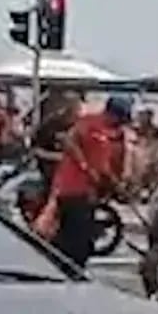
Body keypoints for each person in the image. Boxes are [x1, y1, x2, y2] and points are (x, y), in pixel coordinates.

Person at [47, 95, 132, 268]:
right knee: (76, 241)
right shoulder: (92, 126)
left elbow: (107, 167)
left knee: (72, 235)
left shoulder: (110, 133)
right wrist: (87, 167)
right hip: (74, 188)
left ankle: (60, 267)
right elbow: (71, 143)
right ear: (112, 114)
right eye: (120, 119)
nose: (120, 124)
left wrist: (116, 185)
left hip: (83, 191)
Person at [125, 107, 158, 201]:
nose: (143, 119)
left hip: (153, 188)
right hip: (132, 188)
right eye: (141, 115)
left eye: (146, 115)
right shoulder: (130, 136)